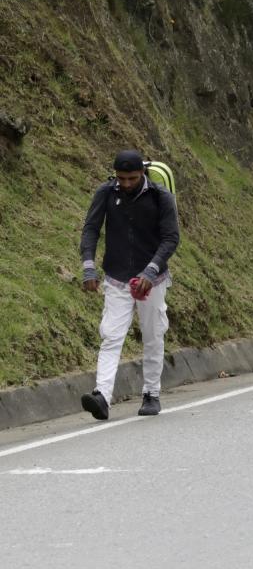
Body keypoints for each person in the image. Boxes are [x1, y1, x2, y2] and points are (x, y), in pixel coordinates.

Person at [79, 150, 180, 420]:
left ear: (143, 174)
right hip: (116, 277)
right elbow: (90, 229)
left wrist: (151, 270)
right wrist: (88, 265)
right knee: (111, 336)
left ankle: (151, 394)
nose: (125, 184)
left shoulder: (161, 197)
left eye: (132, 178)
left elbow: (171, 238)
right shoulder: (106, 193)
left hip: (153, 280)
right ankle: (101, 396)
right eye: (121, 178)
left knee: (152, 335)